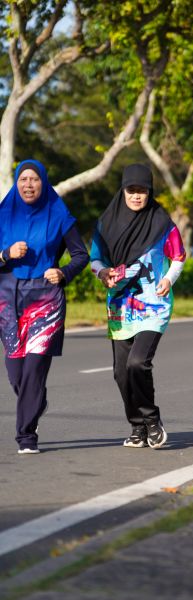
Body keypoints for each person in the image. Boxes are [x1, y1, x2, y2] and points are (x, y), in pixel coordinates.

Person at [90, 163, 186, 450]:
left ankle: (151, 420)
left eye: (142, 191)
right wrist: (102, 273)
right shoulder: (105, 223)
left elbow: (179, 256)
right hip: (120, 306)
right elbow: (96, 259)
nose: (136, 196)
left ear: (150, 192)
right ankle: (137, 427)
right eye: (131, 190)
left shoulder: (162, 223)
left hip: (154, 304)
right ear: (122, 191)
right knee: (121, 372)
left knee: (137, 362)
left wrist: (168, 279)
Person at [0, 159, 89, 454]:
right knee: (16, 373)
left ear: (44, 182)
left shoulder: (59, 214)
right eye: (23, 179)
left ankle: (26, 436)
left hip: (45, 299)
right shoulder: (2, 214)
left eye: (34, 179)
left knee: (35, 368)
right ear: (16, 183)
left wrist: (63, 272)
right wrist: (5, 254)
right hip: (8, 298)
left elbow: (81, 255)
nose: (28, 185)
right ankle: (36, 401)